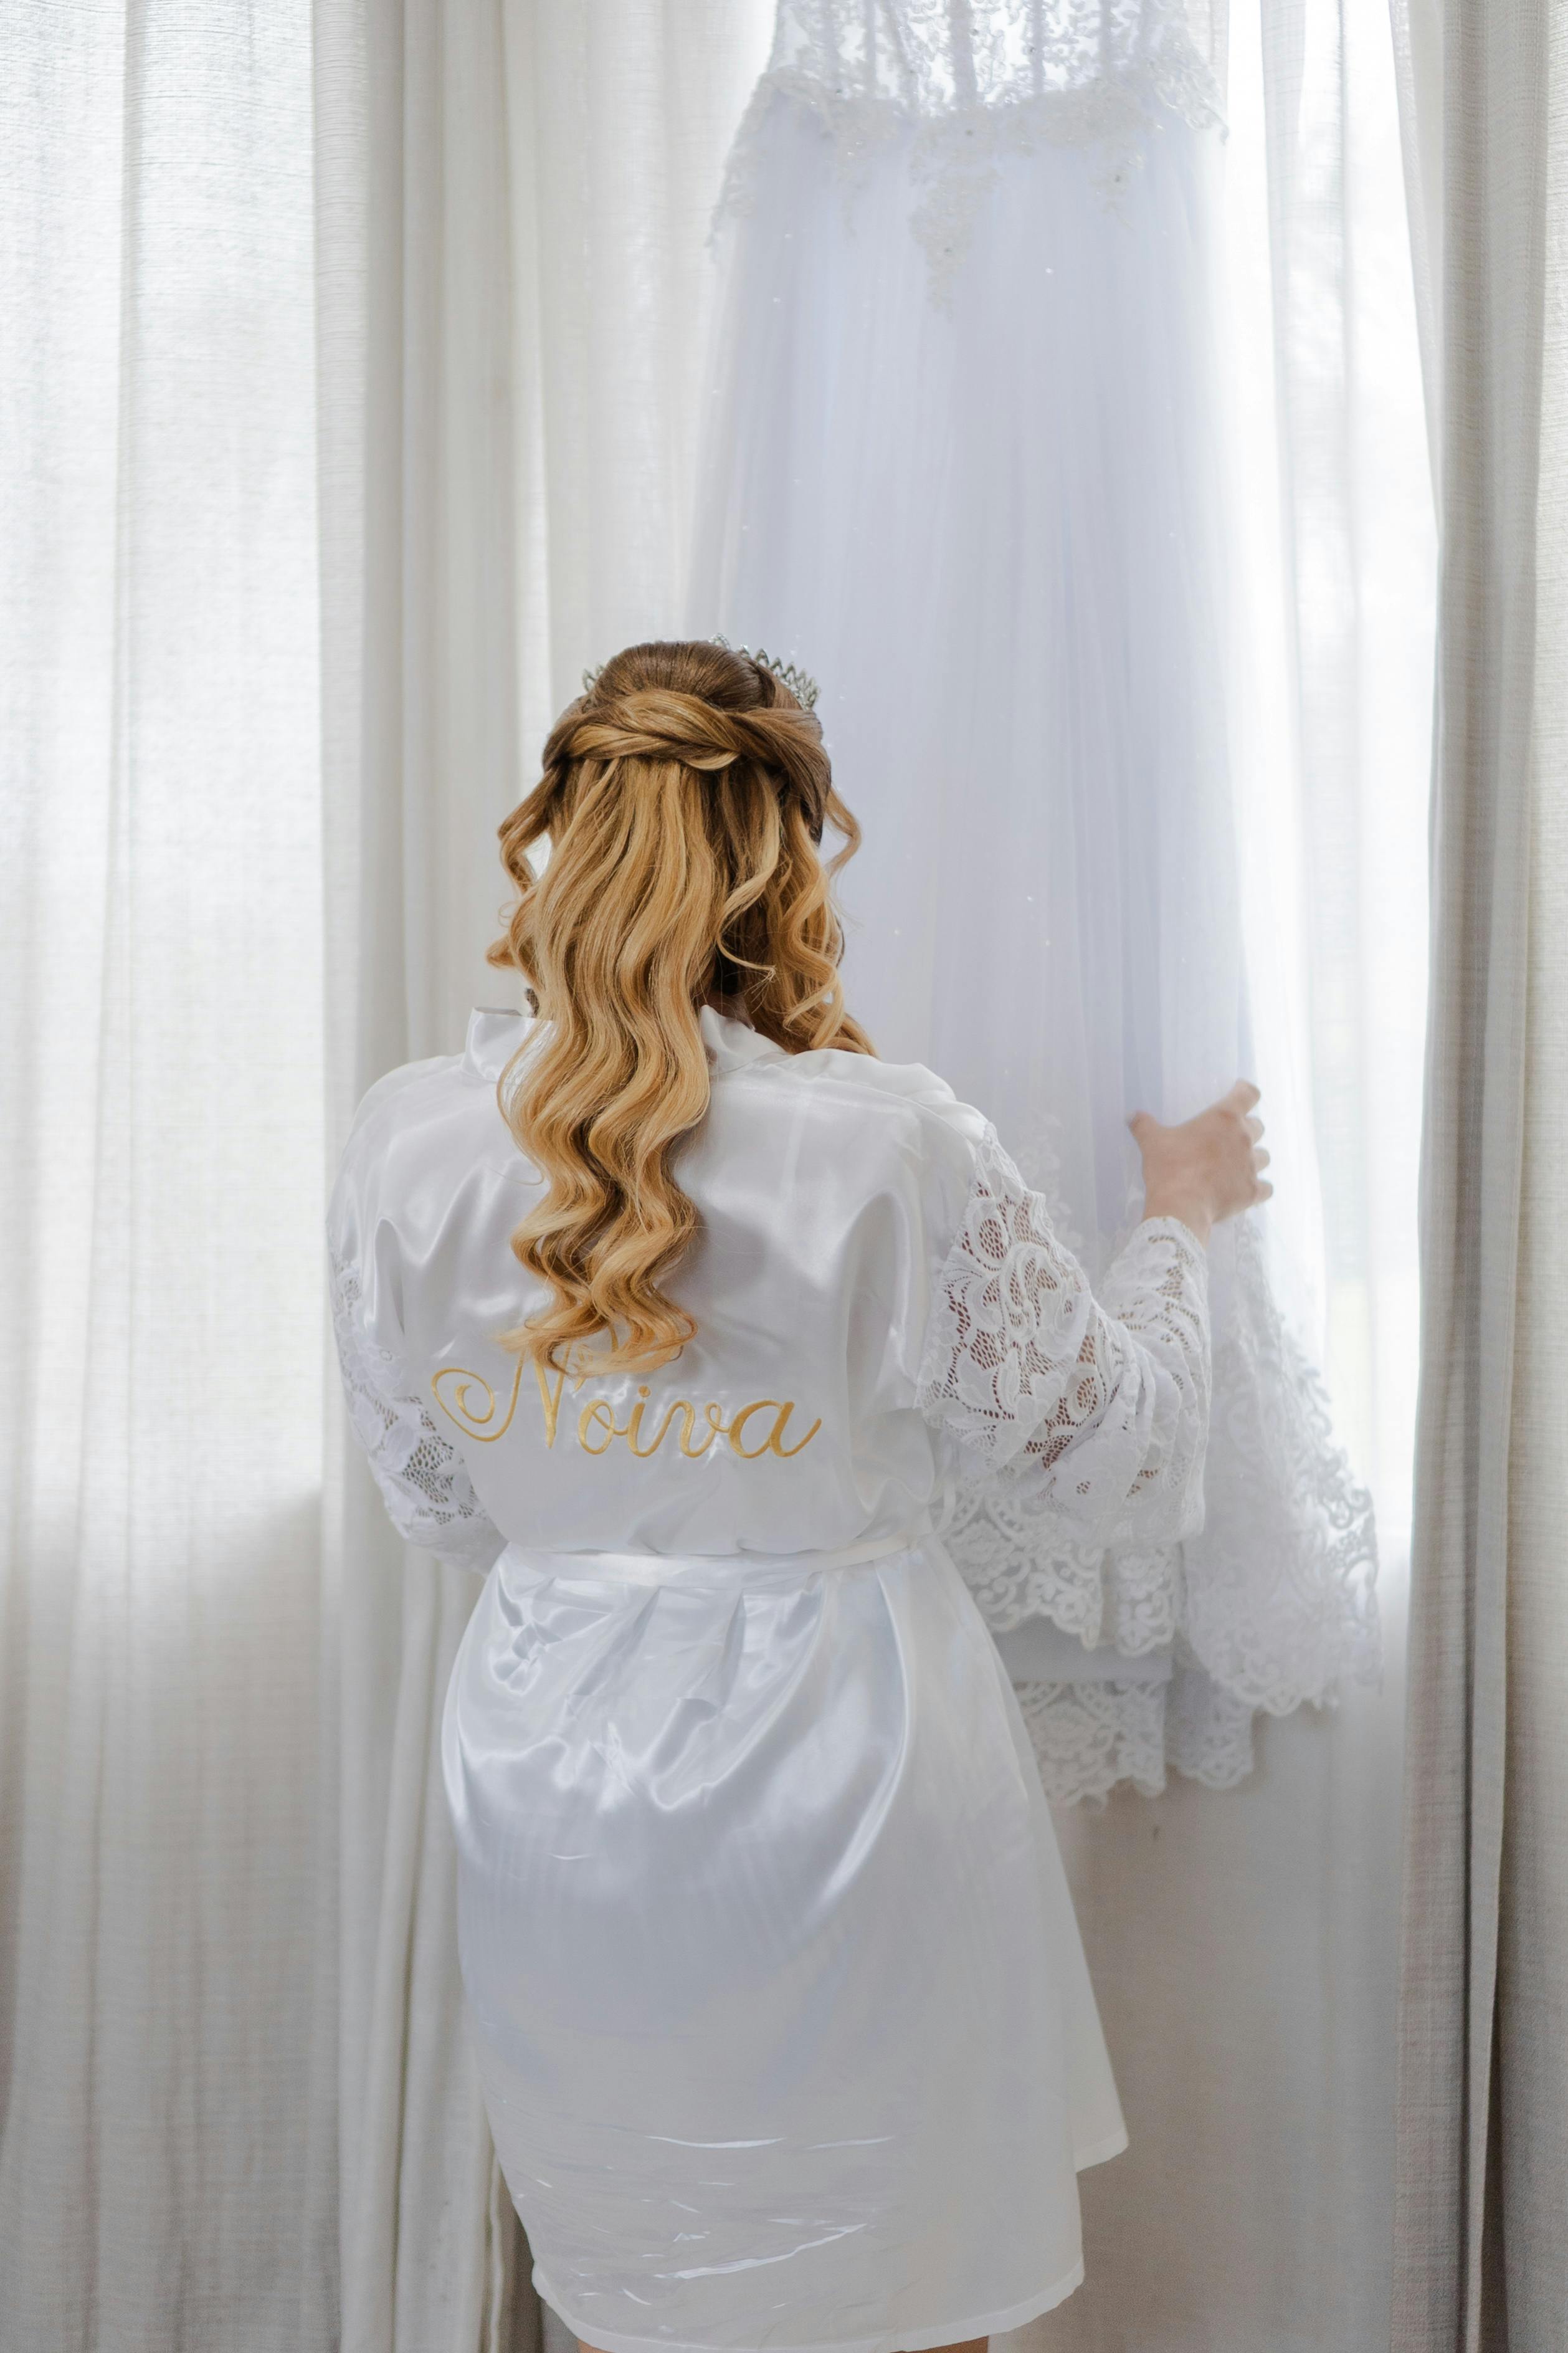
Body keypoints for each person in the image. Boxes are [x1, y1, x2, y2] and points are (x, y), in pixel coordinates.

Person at [326, 638, 1269, 2353]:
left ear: (563, 835)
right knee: (901, 2290)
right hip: (844, 1776)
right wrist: (1181, 1216)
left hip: (552, 1789)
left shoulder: (406, 1139)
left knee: (653, 2285)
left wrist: (619, 1491)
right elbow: (1128, 1464)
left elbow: (440, 1504)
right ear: (788, 861)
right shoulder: (886, 1144)